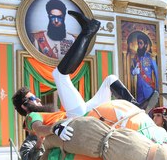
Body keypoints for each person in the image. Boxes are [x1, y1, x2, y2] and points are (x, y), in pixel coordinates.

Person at [13, 11, 149, 139]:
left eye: (35, 96)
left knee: (110, 79)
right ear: (24, 106)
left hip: (83, 113)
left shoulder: (48, 113)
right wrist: (53, 129)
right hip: (76, 119)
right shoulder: (32, 116)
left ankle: (136, 107)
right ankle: (88, 30)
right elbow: (38, 129)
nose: (38, 99)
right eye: (33, 98)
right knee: (59, 75)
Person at [130, 33, 159, 112]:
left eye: (141, 43)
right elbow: (130, 71)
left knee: (150, 110)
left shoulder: (150, 57)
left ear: (146, 45)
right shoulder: (135, 58)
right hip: (139, 89)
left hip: (149, 88)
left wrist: (157, 89)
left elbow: (156, 74)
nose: (139, 45)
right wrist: (133, 71)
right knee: (140, 110)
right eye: (138, 43)